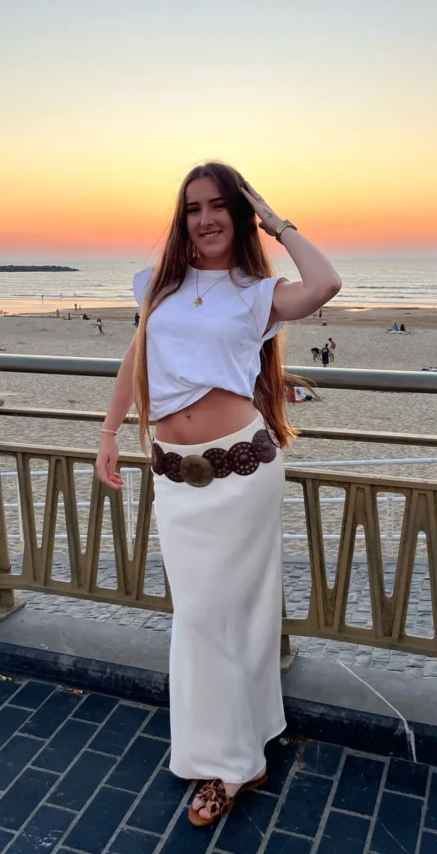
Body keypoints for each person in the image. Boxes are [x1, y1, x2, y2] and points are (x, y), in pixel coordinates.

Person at [95, 162, 341, 827]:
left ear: (239, 214)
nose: (204, 219)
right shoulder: (159, 285)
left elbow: (326, 284)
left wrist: (277, 221)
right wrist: (110, 432)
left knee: (224, 616)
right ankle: (242, 746)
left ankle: (231, 764)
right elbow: (136, 358)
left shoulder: (257, 293)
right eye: (193, 208)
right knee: (203, 616)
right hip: (175, 477)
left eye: (218, 206)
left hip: (241, 475)